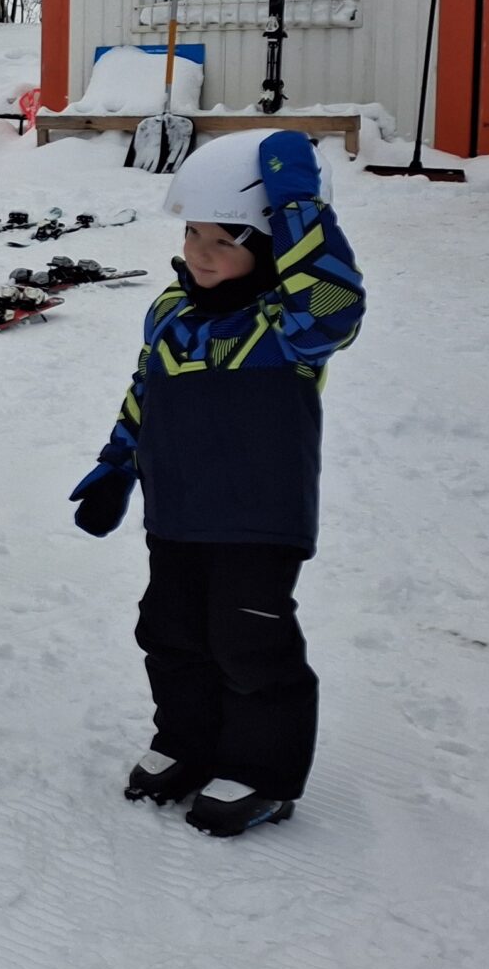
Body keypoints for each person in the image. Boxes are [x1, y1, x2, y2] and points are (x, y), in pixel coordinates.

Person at [69, 129, 367, 837]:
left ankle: (264, 773)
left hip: (257, 519)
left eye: (225, 240)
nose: (201, 252)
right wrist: (118, 462)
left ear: (271, 248)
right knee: (170, 631)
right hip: (177, 512)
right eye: (193, 232)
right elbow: (147, 390)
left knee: (249, 642)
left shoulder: (288, 330)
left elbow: (335, 301)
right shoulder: (171, 314)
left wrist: (298, 208)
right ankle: (189, 741)